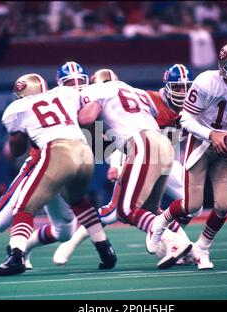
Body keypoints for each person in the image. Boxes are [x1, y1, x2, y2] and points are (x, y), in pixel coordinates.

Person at [51, 64, 202, 266]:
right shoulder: (138, 93)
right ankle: (186, 247)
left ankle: (174, 243)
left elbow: (87, 119)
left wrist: (77, 124)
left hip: (143, 146)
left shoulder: (96, 91)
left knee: (125, 210)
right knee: (151, 209)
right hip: (163, 146)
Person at [148, 41, 227, 270]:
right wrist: (213, 135)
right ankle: (160, 222)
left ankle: (202, 247)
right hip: (201, 143)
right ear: (224, 66)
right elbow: (185, 119)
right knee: (193, 205)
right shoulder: (206, 82)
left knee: (223, 206)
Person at [0, 70, 116, 276]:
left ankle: (16, 256)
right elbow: (86, 118)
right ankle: (105, 249)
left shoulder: (16, 108)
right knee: (78, 200)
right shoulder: (66, 94)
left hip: (58, 151)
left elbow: (17, 150)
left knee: (25, 205)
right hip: (84, 151)